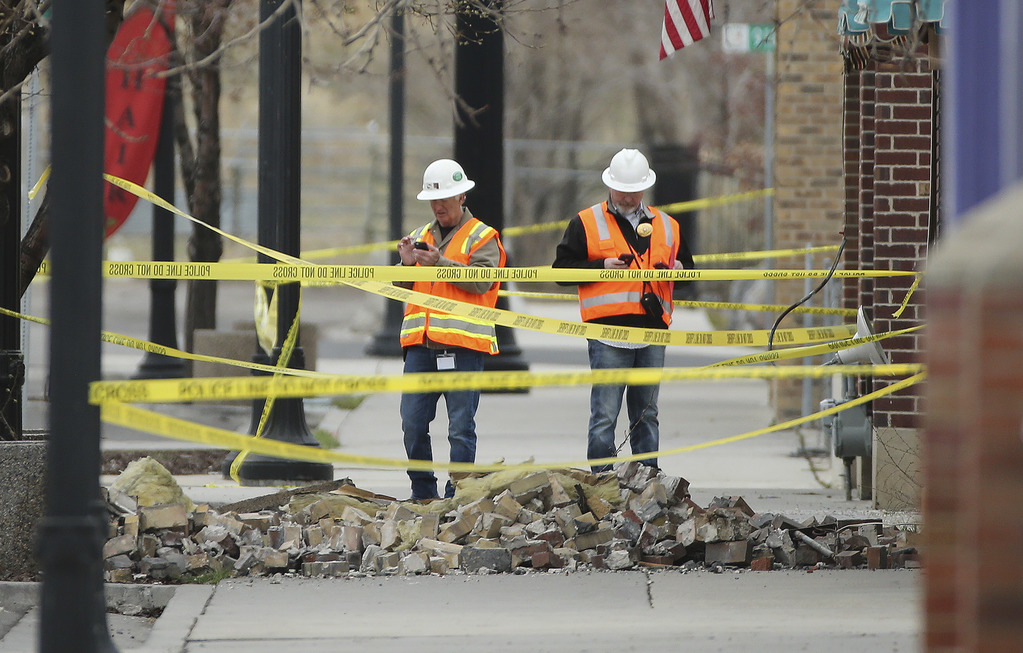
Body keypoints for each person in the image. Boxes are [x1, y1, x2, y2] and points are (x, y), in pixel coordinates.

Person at [552, 148, 694, 473]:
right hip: (607, 334)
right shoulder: (586, 222)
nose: (629, 197)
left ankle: (648, 482)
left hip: (652, 330)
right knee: (605, 414)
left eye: (634, 191)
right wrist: (600, 265)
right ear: (610, 186)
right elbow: (560, 270)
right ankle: (602, 483)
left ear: (644, 188)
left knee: (647, 413)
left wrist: (677, 270)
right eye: (623, 191)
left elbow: (688, 272)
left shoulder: (668, 225)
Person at [395, 158, 506, 500]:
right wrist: (405, 263)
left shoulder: (483, 236)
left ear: (462, 198)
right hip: (421, 347)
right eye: (434, 199)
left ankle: (457, 496)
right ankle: (424, 494)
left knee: (460, 429)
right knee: (412, 425)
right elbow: (399, 286)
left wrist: (439, 263)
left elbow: (482, 281)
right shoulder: (420, 236)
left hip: (462, 347)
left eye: (446, 198)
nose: (438, 205)